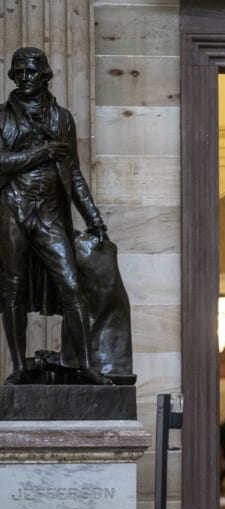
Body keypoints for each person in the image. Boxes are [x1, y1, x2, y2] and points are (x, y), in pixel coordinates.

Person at [0, 47, 110, 385]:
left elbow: (73, 172)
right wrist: (41, 153)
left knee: (72, 285)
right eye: (18, 71)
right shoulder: (1, 117)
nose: (24, 77)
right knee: (13, 290)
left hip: (50, 214)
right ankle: (19, 367)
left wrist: (93, 217)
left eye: (31, 71)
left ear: (45, 74)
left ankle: (87, 365)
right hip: (13, 209)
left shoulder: (61, 118)